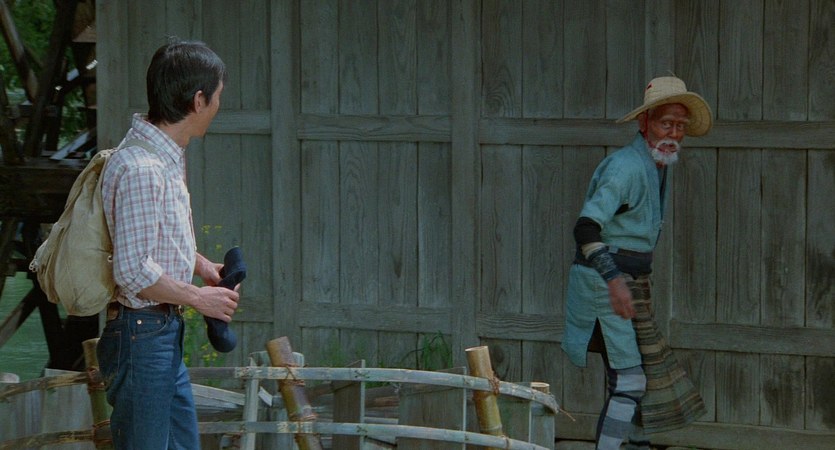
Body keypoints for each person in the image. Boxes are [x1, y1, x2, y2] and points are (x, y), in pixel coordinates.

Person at [96, 39, 239, 449]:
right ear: (198, 100)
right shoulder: (143, 167)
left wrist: (201, 266)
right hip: (142, 335)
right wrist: (199, 298)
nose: (218, 106)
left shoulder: (162, 159)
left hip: (155, 333)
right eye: (218, 97)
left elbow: (151, 241)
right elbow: (132, 271)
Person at [561, 76, 711, 450]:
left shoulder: (658, 163)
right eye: (666, 123)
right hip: (605, 281)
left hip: (632, 282)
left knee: (644, 382)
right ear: (645, 122)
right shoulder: (625, 167)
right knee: (630, 382)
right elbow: (585, 228)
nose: (673, 134)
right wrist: (613, 280)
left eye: (680, 126)